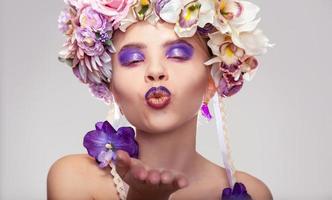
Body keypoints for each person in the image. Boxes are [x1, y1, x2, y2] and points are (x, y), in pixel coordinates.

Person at [48, 0, 273, 199]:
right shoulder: (74, 178)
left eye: (177, 55)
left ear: (211, 82)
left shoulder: (254, 193)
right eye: (134, 59)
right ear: (112, 87)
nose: (155, 71)